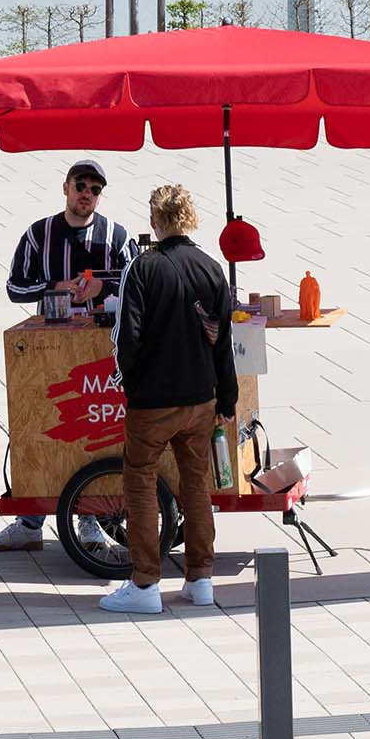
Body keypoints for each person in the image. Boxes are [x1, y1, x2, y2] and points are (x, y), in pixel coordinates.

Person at [0, 157, 140, 553]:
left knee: (91, 428)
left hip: (102, 347)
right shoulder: (39, 234)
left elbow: (138, 282)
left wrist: (101, 291)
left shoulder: (116, 237)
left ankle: (89, 518)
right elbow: (15, 288)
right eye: (81, 186)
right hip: (48, 348)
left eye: (95, 190)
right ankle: (30, 521)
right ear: (65, 187)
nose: (87, 194)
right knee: (42, 425)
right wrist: (53, 286)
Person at [98, 185, 237, 614]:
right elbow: (223, 344)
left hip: (153, 400)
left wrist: (132, 385)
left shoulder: (143, 267)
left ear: (156, 221)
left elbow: (128, 337)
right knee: (195, 484)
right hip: (201, 399)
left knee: (139, 479)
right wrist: (226, 400)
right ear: (190, 218)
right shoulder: (213, 268)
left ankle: (144, 585)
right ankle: (200, 579)